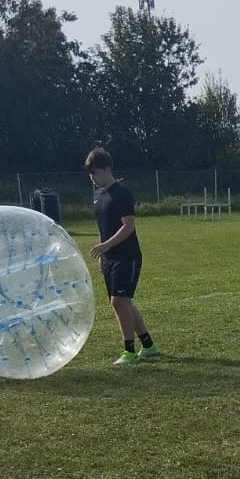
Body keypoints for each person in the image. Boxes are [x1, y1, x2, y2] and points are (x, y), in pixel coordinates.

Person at [85, 148, 160, 365]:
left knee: (118, 301)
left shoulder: (122, 193)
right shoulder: (98, 196)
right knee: (122, 302)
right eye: (90, 175)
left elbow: (128, 226)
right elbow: (103, 227)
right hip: (109, 258)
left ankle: (129, 351)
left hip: (127, 256)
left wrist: (106, 246)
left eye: (96, 173)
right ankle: (149, 345)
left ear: (108, 170)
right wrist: (103, 254)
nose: (93, 178)